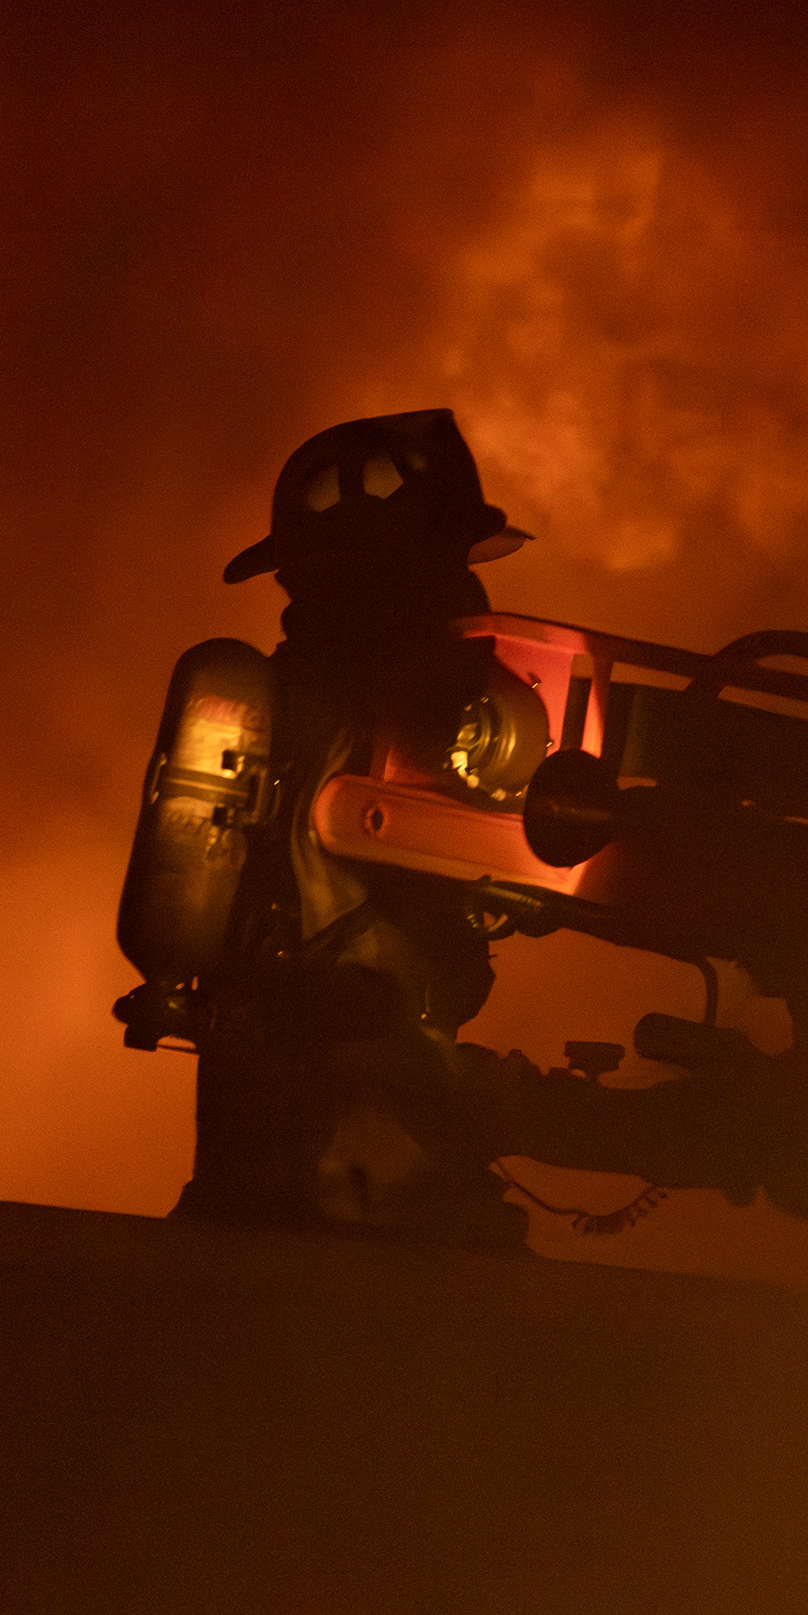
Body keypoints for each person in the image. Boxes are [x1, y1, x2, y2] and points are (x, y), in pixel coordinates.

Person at [164, 409, 541, 1248]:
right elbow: (414, 966)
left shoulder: (272, 707)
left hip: (248, 1155)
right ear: (418, 573)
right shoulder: (415, 723)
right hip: (369, 1171)